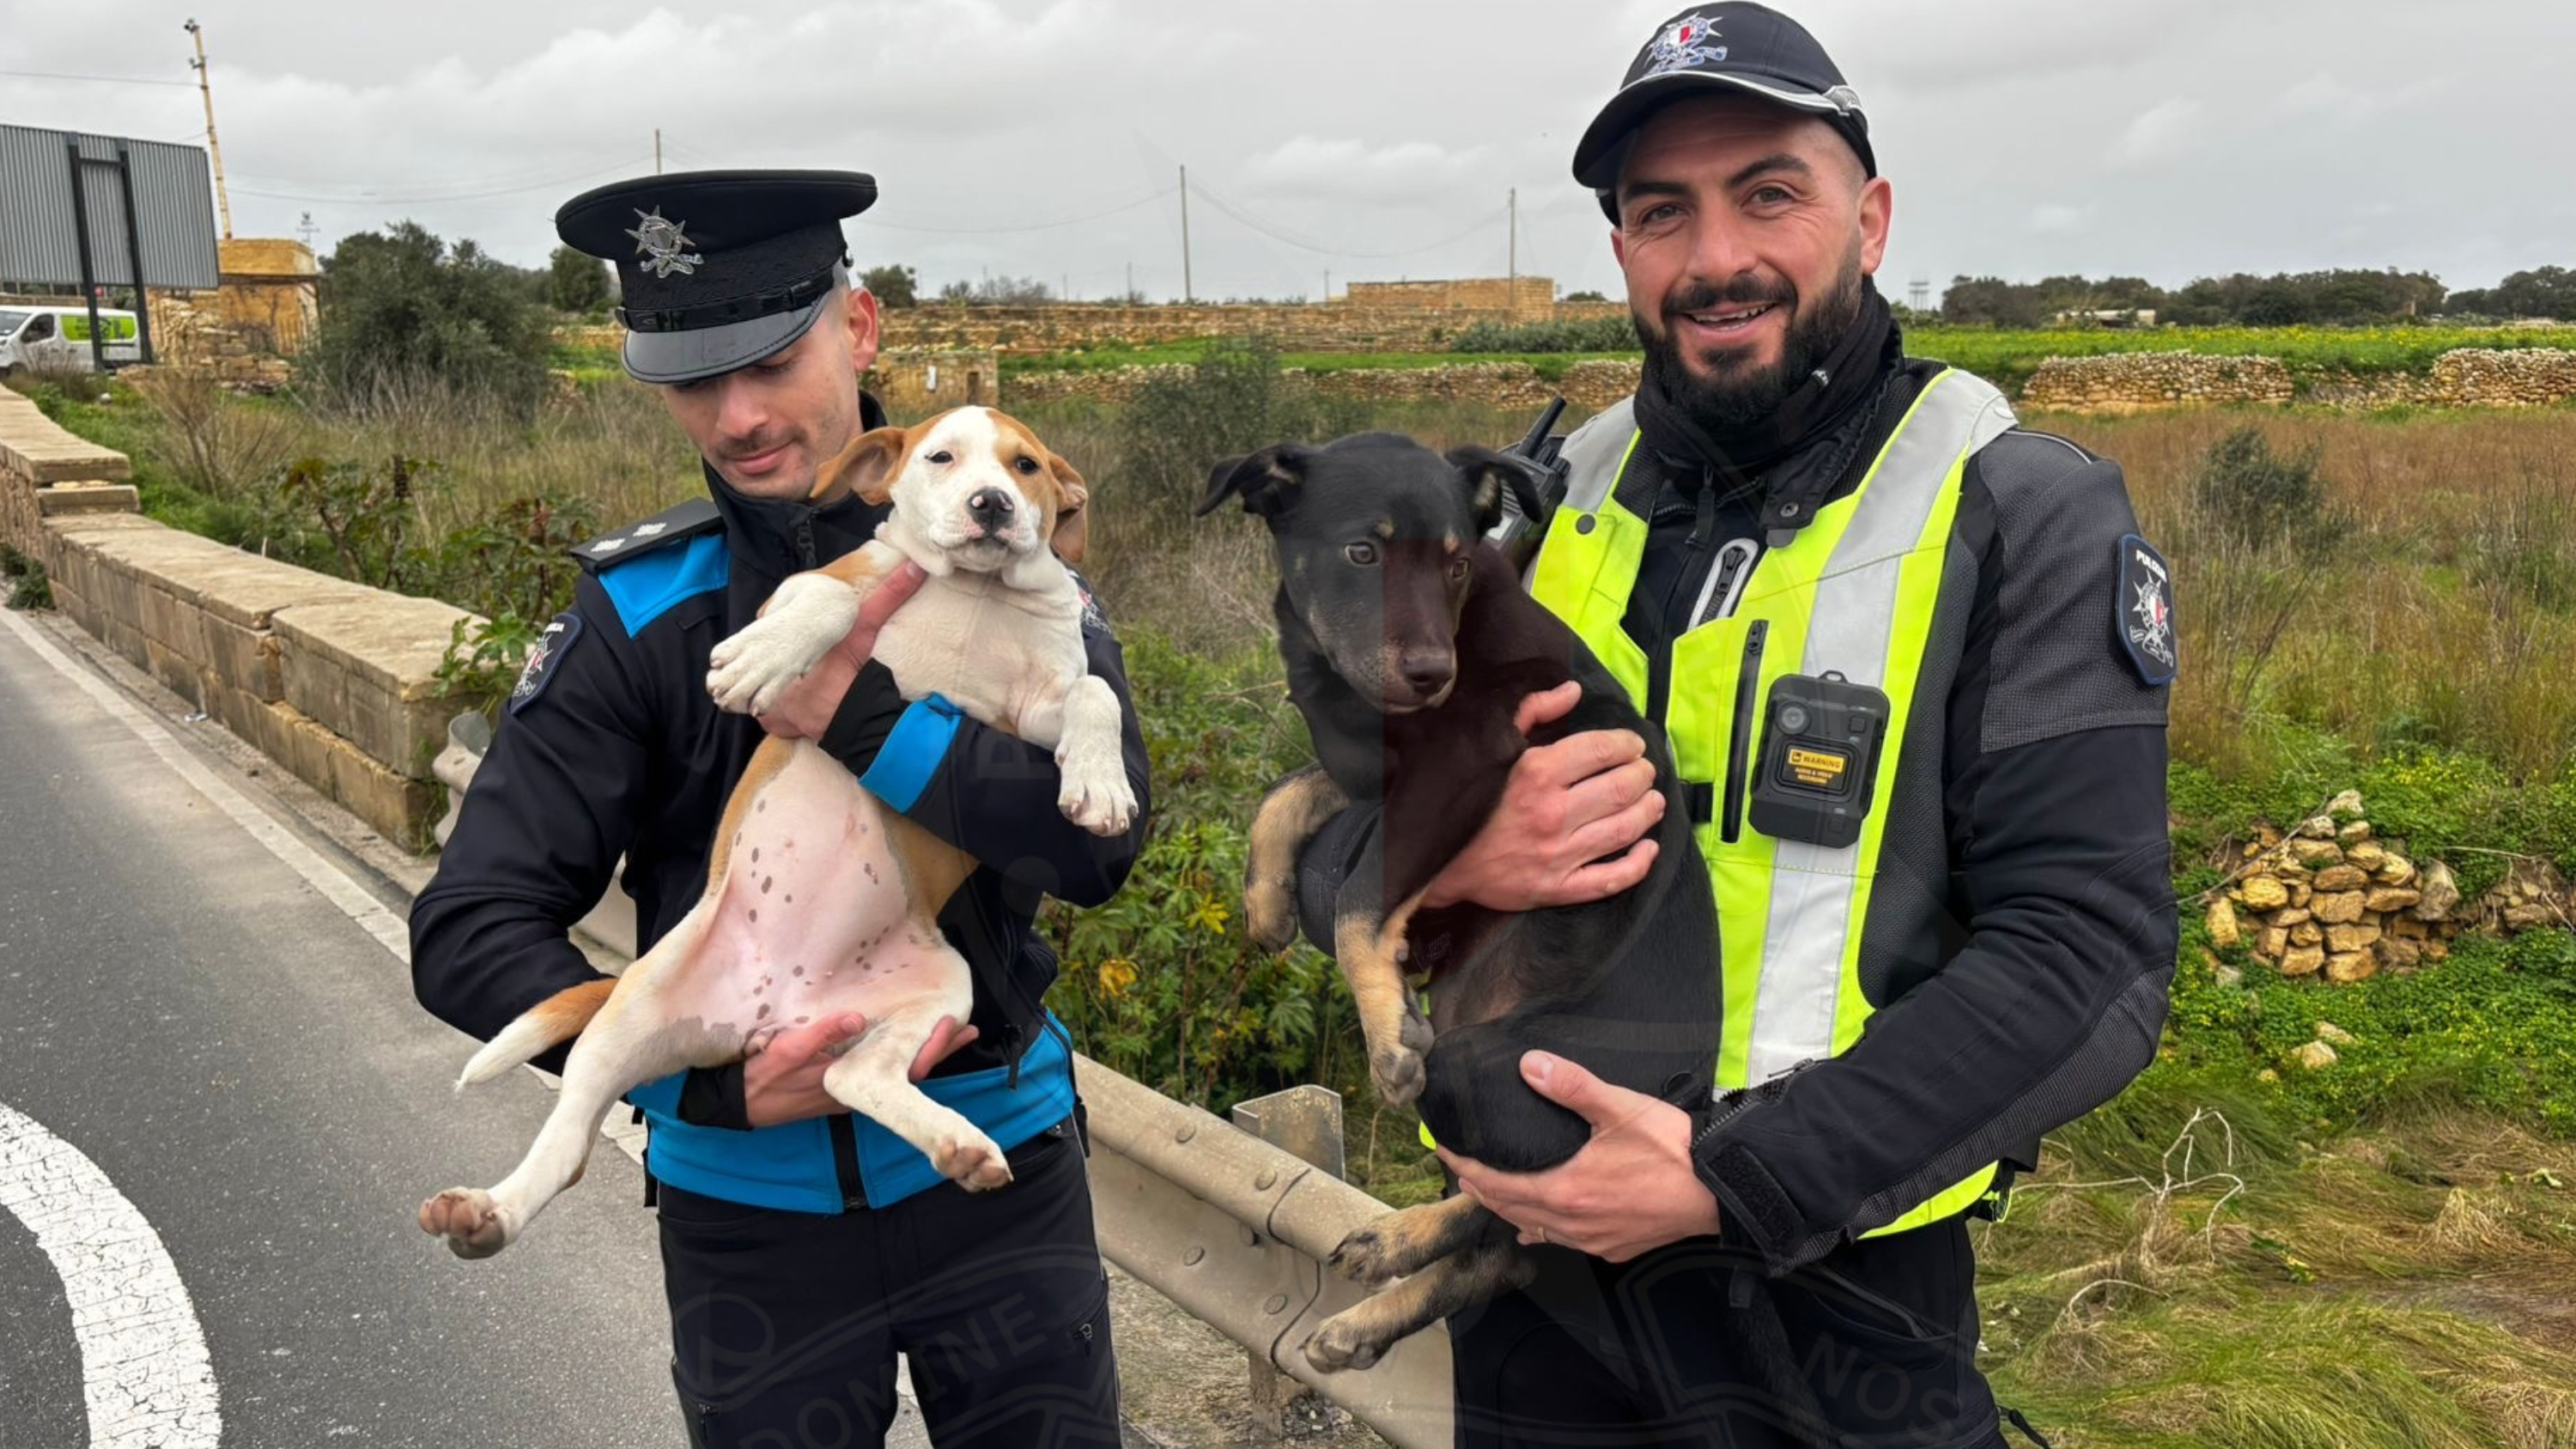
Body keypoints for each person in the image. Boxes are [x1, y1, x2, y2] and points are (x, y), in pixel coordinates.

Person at [1295, 8, 2178, 1445]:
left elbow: (2092, 955)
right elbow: (1342, 821)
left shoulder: (2018, 508)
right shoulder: (1538, 499)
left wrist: (1732, 1179)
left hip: (1834, 1300)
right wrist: (1445, 860)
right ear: (1625, 249)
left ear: (1871, 217)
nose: (1716, 259)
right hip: (1530, 1303)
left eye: (1770, 191)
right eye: (1663, 213)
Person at [412, 169, 1147, 1448]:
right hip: (747, 1219)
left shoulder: (1022, 570)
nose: (738, 415)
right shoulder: (641, 613)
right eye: (695, 379)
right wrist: (707, 1090)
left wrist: (857, 717)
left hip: (996, 1163)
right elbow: (471, 922)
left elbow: (1096, 852)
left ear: (857, 330)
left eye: (770, 358)